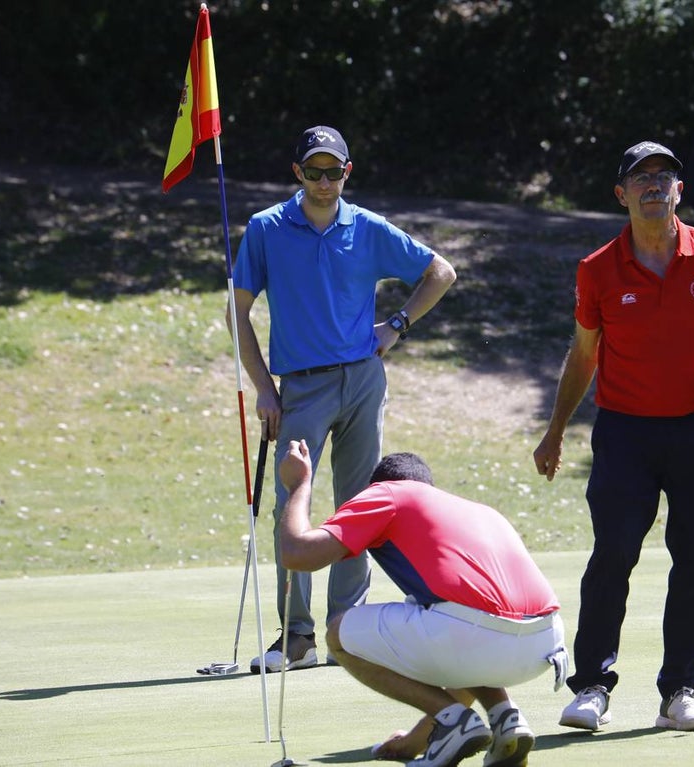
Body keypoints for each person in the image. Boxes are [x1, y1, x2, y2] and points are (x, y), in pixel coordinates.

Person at [532, 141, 694, 732]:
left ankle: (680, 692)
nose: (654, 186)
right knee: (613, 554)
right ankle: (591, 687)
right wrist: (555, 431)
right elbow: (584, 355)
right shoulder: (598, 268)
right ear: (622, 194)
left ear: (679, 191)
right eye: (641, 178)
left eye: (664, 177)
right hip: (625, 434)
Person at [228, 125, 457, 673]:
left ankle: (345, 633)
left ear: (347, 172)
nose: (324, 181)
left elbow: (440, 272)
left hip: (363, 381)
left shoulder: (367, 227)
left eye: (334, 171)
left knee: (359, 507)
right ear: (298, 173)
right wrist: (264, 389)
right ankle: (297, 637)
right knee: (293, 503)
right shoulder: (266, 228)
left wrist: (397, 325)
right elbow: (237, 313)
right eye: (314, 171)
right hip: (301, 387)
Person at [278, 444, 567, 767]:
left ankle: (453, 723)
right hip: (545, 643)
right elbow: (468, 655)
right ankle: (506, 717)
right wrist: (414, 741)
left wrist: (299, 484)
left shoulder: (387, 493)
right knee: (449, 620)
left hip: (474, 634)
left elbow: (297, 554)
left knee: (339, 634)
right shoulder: (479, 510)